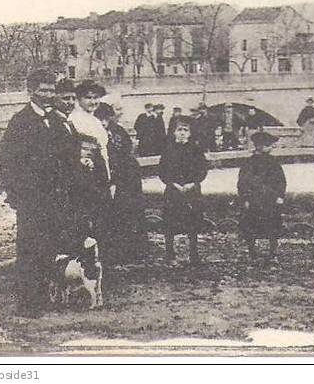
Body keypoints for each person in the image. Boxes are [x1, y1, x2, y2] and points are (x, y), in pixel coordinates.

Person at [0, 70, 66, 316]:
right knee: (29, 249)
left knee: (49, 246)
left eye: (51, 90)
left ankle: (45, 297)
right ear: (31, 91)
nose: (48, 95)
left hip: (54, 197)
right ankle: (28, 303)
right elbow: (8, 162)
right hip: (31, 199)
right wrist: (17, 195)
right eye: (43, 90)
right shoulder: (20, 121)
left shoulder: (57, 120)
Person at [94, 100, 147, 264]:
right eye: (100, 119)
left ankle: (132, 249)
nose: (103, 122)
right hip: (107, 179)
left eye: (106, 118)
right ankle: (111, 252)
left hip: (127, 179)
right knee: (109, 216)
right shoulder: (94, 133)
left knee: (129, 213)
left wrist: (118, 180)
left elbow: (125, 154)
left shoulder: (118, 132)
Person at [159, 117, 209, 266]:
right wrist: (173, 183)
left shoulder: (196, 150)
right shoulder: (168, 150)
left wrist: (193, 183)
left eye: (185, 130)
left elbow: (202, 170)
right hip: (173, 191)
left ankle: (193, 254)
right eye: (179, 130)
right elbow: (162, 171)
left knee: (192, 222)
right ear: (174, 132)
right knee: (170, 223)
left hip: (191, 191)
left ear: (190, 133)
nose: (182, 133)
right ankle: (170, 254)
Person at [237, 131, 287, 262]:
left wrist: (280, 195)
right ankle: (252, 252)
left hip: (270, 199)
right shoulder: (249, 163)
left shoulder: (274, 163)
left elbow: (281, 181)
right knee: (251, 225)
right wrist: (246, 198)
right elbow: (243, 182)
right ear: (259, 146)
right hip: (254, 200)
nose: (271, 148)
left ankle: (273, 252)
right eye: (268, 145)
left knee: (273, 225)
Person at [68, 80, 114, 199]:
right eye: (88, 98)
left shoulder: (95, 120)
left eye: (96, 97)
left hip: (101, 172)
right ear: (79, 99)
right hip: (88, 176)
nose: (93, 102)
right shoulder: (75, 119)